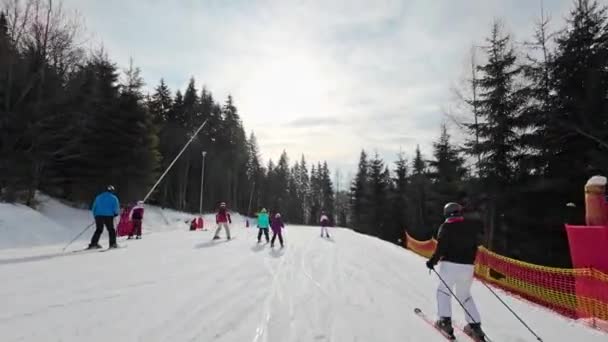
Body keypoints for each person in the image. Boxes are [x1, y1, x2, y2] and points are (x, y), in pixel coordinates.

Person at [426, 202, 485, 341]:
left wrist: (432, 262)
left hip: (449, 265)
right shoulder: (470, 227)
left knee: (443, 292)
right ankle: (475, 327)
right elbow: (475, 246)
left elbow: (441, 247)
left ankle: (445, 323)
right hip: (467, 267)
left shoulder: (446, 226)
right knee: (465, 296)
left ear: (446, 213)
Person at [88, 185, 120, 249]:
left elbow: (94, 207)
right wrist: (116, 213)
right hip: (108, 216)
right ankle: (113, 244)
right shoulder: (114, 198)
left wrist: (95, 215)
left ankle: (93, 244)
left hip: (98, 216)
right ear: (112, 191)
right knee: (111, 230)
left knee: (99, 229)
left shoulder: (98, 197)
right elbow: (116, 207)